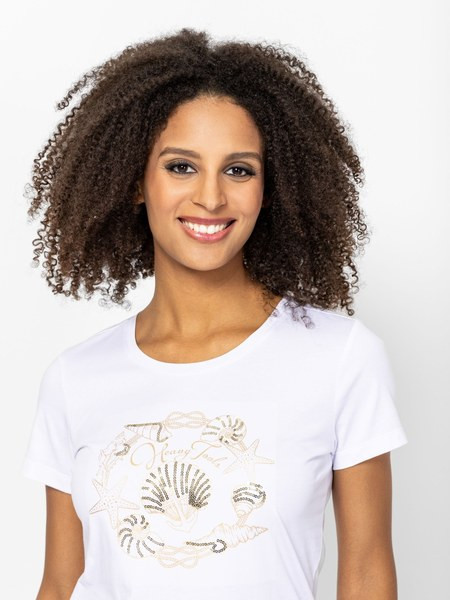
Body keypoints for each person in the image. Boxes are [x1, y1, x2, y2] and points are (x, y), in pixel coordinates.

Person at [21, 27, 408, 600]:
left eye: (239, 169)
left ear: (269, 189)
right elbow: (60, 584)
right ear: (135, 181)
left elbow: (368, 574)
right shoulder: (74, 378)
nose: (210, 197)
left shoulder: (340, 357)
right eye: (181, 166)